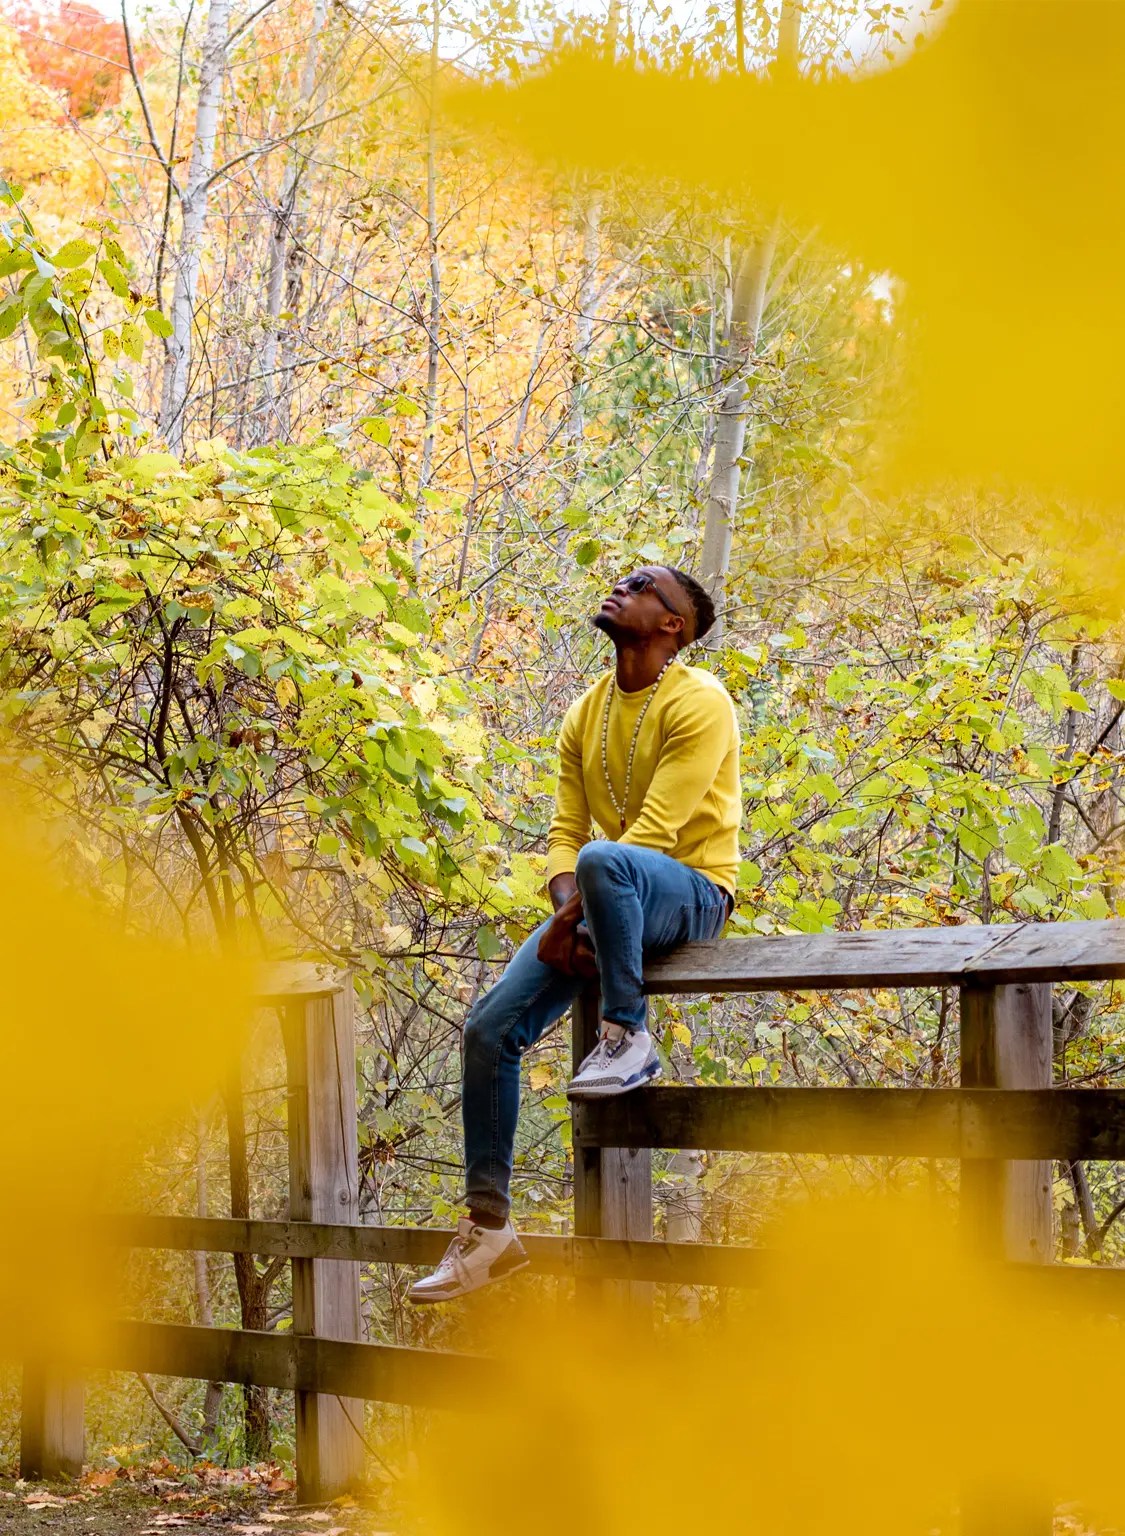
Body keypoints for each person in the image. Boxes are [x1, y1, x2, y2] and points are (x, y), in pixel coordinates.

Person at [408, 565, 741, 1303]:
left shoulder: (700, 702)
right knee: (489, 1028)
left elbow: (651, 836)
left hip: (690, 892)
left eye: (640, 585)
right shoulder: (585, 712)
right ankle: (488, 1228)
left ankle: (627, 1034)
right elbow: (564, 835)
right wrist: (570, 909)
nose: (618, 586)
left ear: (671, 625)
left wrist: (583, 900)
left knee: (607, 858)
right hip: (602, 899)